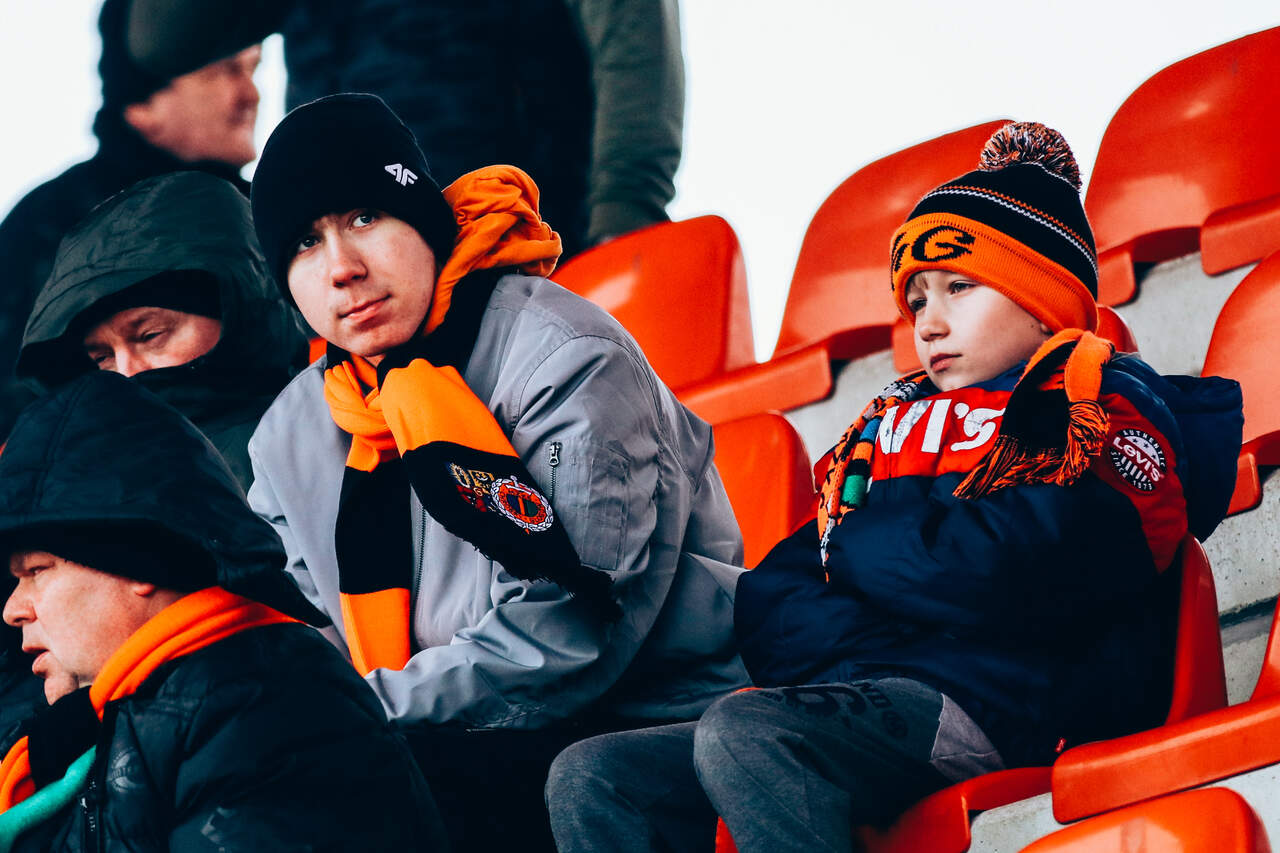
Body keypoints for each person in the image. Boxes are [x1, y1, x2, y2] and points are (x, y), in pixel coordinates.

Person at [544, 122, 1244, 853]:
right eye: (916, 301)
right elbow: (775, 600)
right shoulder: (885, 425)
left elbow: (1014, 568)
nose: (927, 325)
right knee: (593, 774)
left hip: (1003, 705)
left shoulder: (1091, 406)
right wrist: (895, 591)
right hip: (875, 695)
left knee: (747, 729)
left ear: (1041, 299)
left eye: (958, 288)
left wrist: (862, 554)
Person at [245, 93, 745, 852]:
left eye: (364, 218)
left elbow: (565, 633)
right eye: (305, 244)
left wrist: (350, 719)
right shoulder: (290, 434)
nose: (342, 269)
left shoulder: (565, 358)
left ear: (423, 216)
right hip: (428, 733)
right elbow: (299, 636)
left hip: (632, 731)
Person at [0, 370, 448, 851]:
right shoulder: (117, 721)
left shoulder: (270, 719)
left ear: (136, 565)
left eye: (37, 571)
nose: (12, 610)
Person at [123, 0, 685, 256]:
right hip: (350, 276)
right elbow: (163, 39)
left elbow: (632, 44)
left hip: (520, 249)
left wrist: (626, 212)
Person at [0, 0, 262, 440]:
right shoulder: (51, 226)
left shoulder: (270, 214)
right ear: (142, 101)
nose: (250, 94)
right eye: (225, 71)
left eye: (254, 69)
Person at [16, 170, 309, 490]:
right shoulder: (77, 483)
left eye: (150, 336)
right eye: (103, 358)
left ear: (239, 311)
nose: (126, 373)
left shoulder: (339, 429)